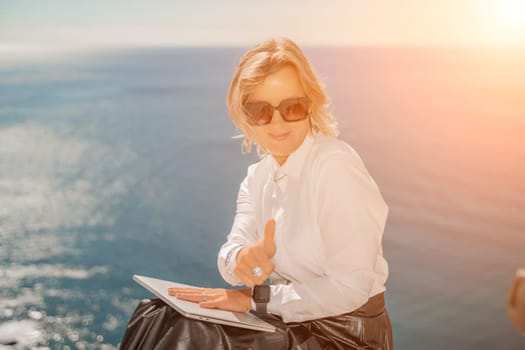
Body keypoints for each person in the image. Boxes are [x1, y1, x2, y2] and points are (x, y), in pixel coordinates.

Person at [120, 37, 393, 350]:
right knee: (156, 315)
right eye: (260, 111)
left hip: (345, 335)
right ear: (244, 117)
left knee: (191, 336)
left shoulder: (335, 167)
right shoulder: (257, 178)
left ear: (311, 104)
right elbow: (231, 254)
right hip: (286, 320)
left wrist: (253, 299)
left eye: (292, 107)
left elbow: (349, 287)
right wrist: (242, 259)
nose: (277, 121)